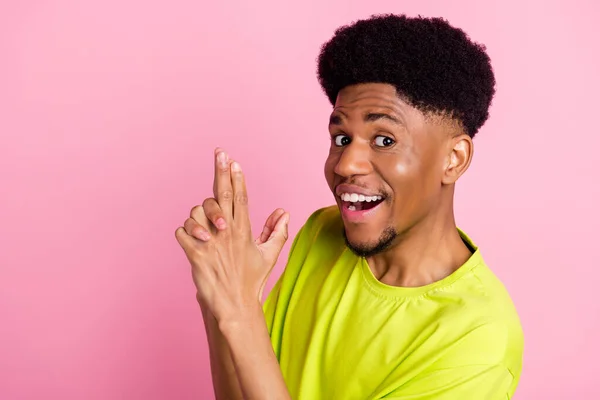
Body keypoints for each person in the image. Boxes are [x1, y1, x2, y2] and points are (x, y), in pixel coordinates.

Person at [175, 14, 524, 400]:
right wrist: (218, 297)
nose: (345, 165)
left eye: (384, 140)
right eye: (341, 138)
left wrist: (240, 308)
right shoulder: (322, 233)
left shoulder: (477, 340)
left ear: (453, 159)